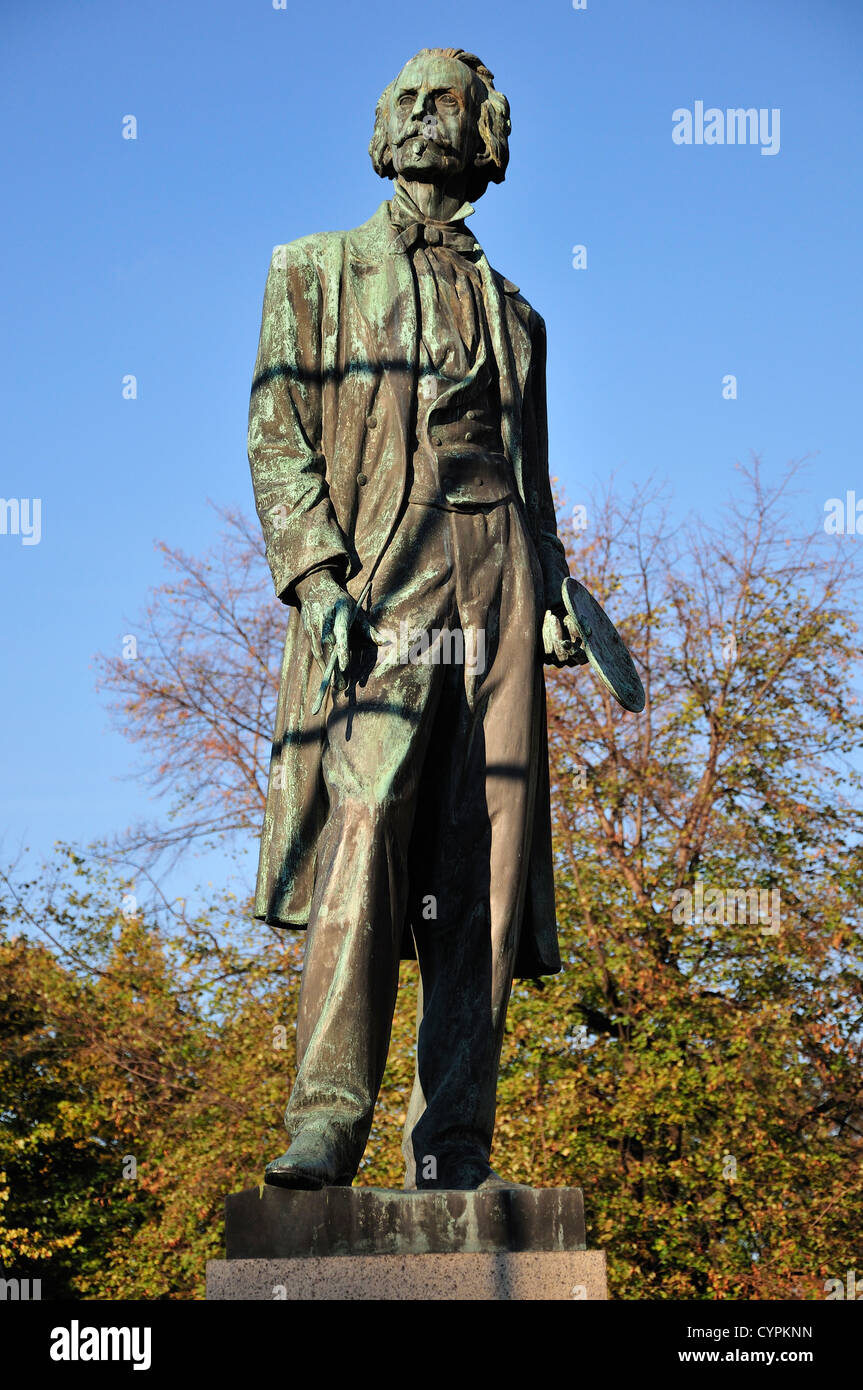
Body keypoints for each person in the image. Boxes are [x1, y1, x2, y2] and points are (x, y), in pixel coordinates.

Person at [248, 47, 584, 1192]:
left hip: (498, 566)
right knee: (367, 818)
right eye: (403, 98)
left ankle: (455, 1144)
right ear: (382, 130)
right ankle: (324, 1124)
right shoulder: (314, 270)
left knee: (480, 855)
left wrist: (550, 589)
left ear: (483, 132)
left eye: (442, 98)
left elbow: (533, 477)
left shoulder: (519, 315)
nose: (417, 113)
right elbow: (277, 436)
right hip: (385, 569)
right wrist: (317, 579)